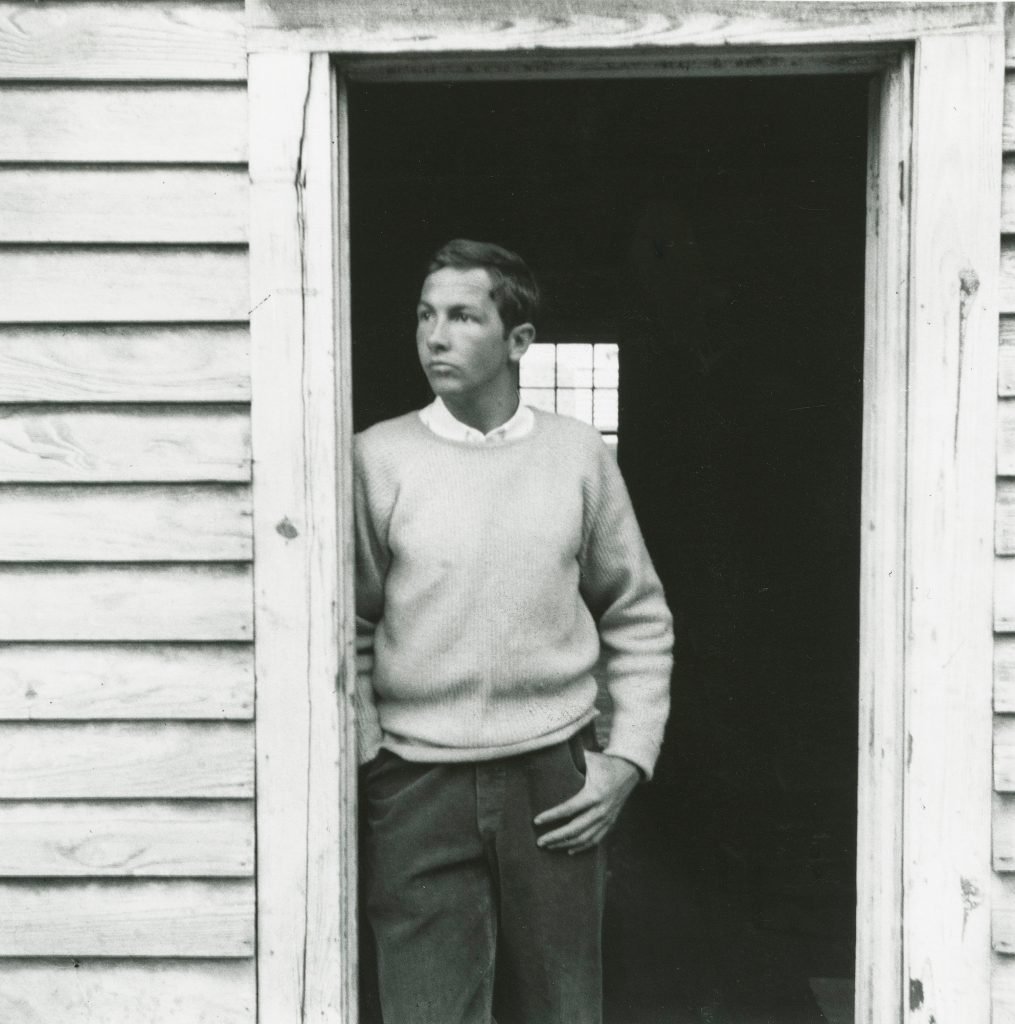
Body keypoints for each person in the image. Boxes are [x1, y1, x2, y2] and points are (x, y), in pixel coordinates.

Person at [354, 239, 673, 1024]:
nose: (434, 336)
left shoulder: (575, 456)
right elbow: (348, 626)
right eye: (425, 315)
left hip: (552, 781)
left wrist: (626, 758)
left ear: (517, 341)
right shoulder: (376, 458)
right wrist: (369, 757)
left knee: (562, 1010)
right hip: (416, 782)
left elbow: (636, 612)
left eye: (462, 316)